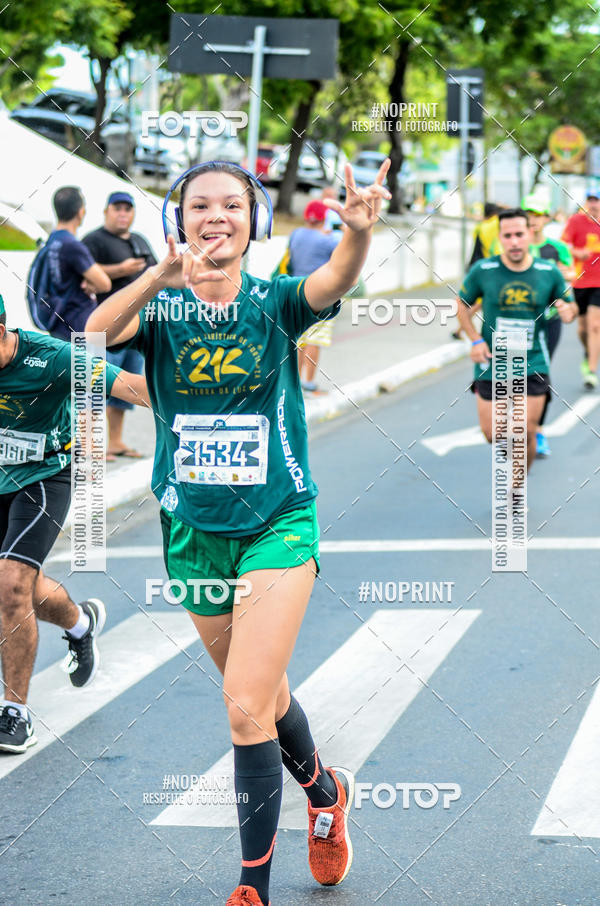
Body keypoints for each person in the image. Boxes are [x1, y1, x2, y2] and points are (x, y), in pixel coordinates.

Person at [87, 158, 391, 906]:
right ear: (179, 220)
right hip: (193, 529)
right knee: (260, 692)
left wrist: (354, 235)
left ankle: (250, 888)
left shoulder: (276, 302)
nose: (216, 215)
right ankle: (326, 790)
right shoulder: (157, 310)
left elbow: (335, 284)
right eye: (199, 205)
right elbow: (94, 339)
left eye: (232, 204)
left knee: (245, 704)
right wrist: (159, 276)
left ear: (254, 222)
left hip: (279, 521)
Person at [0, 293, 149, 754]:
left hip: (43, 476)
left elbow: (131, 387)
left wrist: (215, 397)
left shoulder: (51, 359)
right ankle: (81, 623)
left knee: (9, 584)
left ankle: (15, 712)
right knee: (18, 586)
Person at [457, 208, 578, 474]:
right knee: (493, 434)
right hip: (492, 361)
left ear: (529, 234)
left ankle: (517, 485)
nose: (514, 241)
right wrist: (475, 341)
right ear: (499, 237)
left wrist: (569, 312)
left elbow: (568, 305)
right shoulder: (484, 270)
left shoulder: (548, 271)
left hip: (532, 360)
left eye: (519, 234)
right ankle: (513, 458)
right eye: (508, 235)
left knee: (527, 431)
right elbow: (462, 306)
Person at [83, 191, 157, 460]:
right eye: (118, 208)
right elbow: (85, 272)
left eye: (128, 208)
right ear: (106, 211)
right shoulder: (93, 240)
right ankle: (89, 444)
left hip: (138, 329)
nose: (123, 213)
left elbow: (159, 273)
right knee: (97, 383)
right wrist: (122, 269)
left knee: (126, 389)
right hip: (106, 328)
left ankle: (115, 441)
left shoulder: (140, 240)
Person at [523, 196, 575, 456]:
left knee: (540, 372)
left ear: (546, 218)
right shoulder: (514, 246)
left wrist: (552, 270)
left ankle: (538, 431)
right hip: (516, 321)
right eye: (528, 214)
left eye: (538, 214)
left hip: (549, 319)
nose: (533, 220)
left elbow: (570, 275)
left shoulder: (556, 248)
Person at [43, 186, 112, 341]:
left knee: (64, 366)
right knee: (94, 366)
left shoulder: (52, 240)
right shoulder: (72, 245)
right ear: (80, 212)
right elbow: (104, 283)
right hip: (81, 325)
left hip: (59, 322)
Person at [289, 200, 341, 394]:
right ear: (323, 219)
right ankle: (309, 384)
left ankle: (294, 383)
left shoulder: (296, 235)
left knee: (300, 339)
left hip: (295, 292)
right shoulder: (329, 241)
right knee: (315, 340)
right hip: (320, 296)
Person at [562, 193, 600, 389]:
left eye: (597, 200)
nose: (593, 204)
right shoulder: (576, 221)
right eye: (590, 200)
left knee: (595, 325)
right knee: (583, 329)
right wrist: (577, 253)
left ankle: (592, 371)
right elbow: (564, 246)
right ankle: (589, 353)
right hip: (580, 281)